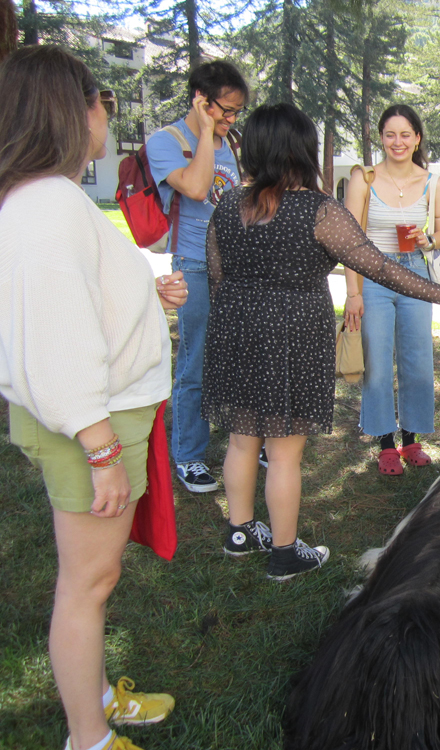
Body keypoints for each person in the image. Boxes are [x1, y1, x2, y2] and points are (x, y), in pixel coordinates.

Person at [202, 103, 440, 580]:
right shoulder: (318, 209)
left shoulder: (228, 205)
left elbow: (217, 274)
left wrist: (237, 321)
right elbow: (379, 266)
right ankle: (284, 553)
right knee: (284, 452)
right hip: (292, 336)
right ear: (301, 149)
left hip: (235, 333)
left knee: (241, 439)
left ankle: (240, 531)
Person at [0, 46, 189, 750]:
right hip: (92, 425)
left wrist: (144, 290)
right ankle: (89, 738)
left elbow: (80, 299)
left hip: (101, 417)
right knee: (88, 583)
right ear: (74, 110)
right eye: (102, 100)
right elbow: (56, 339)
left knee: (93, 578)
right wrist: (101, 449)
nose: (107, 114)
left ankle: (100, 697)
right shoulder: (46, 202)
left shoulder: (47, 196)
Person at [147, 60, 249, 494]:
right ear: (201, 101)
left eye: (237, 112)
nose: (231, 119)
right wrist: (206, 134)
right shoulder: (166, 141)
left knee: (241, 356)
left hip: (235, 264)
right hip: (193, 262)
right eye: (225, 110)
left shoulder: (232, 143)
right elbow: (195, 187)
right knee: (196, 362)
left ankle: (249, 438)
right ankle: (189, 454)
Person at [342, 104, 440, 475]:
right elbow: (348, 241)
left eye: (405, 134)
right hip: (373, 274)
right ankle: (385, 444)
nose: (398, 142)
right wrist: (353, 293)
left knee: (417, 361)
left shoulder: (432, 182)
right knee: (377, 363)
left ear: (417, 138)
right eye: (390, 134)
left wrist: (428, 239)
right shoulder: (364, 179)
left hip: (414, 273)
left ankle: (411, 439)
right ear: (381, 138)